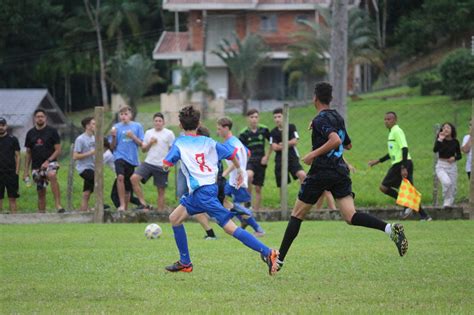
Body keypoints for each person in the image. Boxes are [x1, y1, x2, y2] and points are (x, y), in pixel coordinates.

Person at [271, 82, 408, 275]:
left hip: (320, 173)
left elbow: (335, 140)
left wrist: (312, 154)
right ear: (330, 98)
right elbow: (347, 144)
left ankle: (279, 261)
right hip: (340, 172)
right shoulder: (336, 117)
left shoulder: (320, 120)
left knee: (297, 215)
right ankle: (390, 229)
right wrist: (321, 132)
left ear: (315, 98)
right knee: (350, 216)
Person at [162, 105, 278, 274]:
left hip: (203, 193)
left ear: (180, 125)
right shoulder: (209, 142)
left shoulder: (180, 143)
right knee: (175, 218)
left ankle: (269, 253)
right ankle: (185, 262)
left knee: (229, 228)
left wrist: (166, 167)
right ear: (199, 123)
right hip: (205, 190)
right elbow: (232, 154)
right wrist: (239, 170)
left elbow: (166, 164)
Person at [368, 111, 432, 220]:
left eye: (389, 119)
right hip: (399, 164)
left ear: (395, 120)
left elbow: (404, 148)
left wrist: (404, 167)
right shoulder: (391, 132)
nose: (386, 121)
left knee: (384, 187)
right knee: (407, 191)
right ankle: (424, 216)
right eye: (385, 119)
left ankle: (408, 206)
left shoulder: (397, 131)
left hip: (402, 164)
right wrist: (378, 161)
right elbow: (392, 153)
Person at [217, 117, 265, 237]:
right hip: (236, 178)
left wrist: (224, 174)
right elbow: (247, 152)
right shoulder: (236, 141)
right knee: (222, 199)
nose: (218, 132)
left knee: (233, 204)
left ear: (226, 128)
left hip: (236, 180)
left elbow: (236, 160)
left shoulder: (229, 143)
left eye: (219, 129)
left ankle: (258, 229)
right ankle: (244, 220)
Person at [131, 112, 175, 211]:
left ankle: (160, 213)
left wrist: (169, 163)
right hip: (148, 162)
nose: (158, 123)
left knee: (161, 190)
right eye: (156, 121)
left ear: (163, 122)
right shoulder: (149, 133)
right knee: (134, 179)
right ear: (153, 122)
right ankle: (143, 204)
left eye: (160, 121)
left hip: (162, 165)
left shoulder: (169, 133)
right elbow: (143, 150)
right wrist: (150, 143)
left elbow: (172, 150)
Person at [24, 109, 64, 213]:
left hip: (51, 162)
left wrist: (48, 161)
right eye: (38, 116)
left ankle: (58, 205)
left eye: (42, 116)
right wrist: (26, 171)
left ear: (45, 118)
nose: (40, 118)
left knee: (51, 175)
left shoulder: (52, 131)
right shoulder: (30, 133)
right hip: (36, 166)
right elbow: (28, 153)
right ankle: (42, 214)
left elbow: (58, 150)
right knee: (41, 191)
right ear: (34, 118)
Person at [109, 106, 144, 211]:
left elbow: (141, 143)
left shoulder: (137, 126)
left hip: (132, 159)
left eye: (126, 114)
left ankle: (126, 209)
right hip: (119, 156)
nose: (123, 116)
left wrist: (133, 136)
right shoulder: (116, 127)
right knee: (120, 177)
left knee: (128, 187)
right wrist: (114, 136)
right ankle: (122, 205)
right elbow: (112, 147)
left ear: (131, 115)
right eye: (121, 114)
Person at [238, 109, 272, 210]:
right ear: (247, 119)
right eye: (251, 117)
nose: (254, 119)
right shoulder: (244, 133)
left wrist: (267, 157)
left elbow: (271, 143)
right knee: (249, 176)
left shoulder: (264, 129)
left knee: (258, 188)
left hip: (261, 161)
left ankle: (256, 211)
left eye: (256, 117)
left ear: (259, 118)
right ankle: (248, 202)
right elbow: (240, 149)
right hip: (250, 161)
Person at [269, 108, 306, 190]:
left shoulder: (291, 127)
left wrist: (283, 143)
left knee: (302, 175)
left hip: (292, 157)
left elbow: (295, 141)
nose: (277, 119)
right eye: (275, 117)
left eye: (279, 116)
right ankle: (283, 202)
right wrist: (288, 143)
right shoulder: (273, 132)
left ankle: (303, 199)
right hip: (279, 160)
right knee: (282, 184)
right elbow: (274, 147)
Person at [104, 138, 141, 209]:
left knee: (115, 195)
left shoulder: (108, 154)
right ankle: (142, 204)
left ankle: (122, 209)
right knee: (128, 195)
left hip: (121, 175)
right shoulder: (117, 151)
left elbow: (98, 162)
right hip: (126, 173)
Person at [433, 122, 462, 207]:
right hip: (441, 165)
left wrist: (454, 158)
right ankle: (446, 200)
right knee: (446, 182)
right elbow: (435, 150)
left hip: (452, 166)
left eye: (448, 128)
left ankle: (449, 204)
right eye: (444, 127)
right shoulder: (440, 139)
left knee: (453, 187)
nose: (446, 129)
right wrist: (440, 139)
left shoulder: (455, 142)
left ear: (452, 130)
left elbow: (459, 155)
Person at [73, 117, 96, 212]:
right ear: (87, 126)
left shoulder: (94, 138)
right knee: (97, 180)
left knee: (87, 191)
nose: (95, 126)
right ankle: (99, 205)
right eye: (93, 124)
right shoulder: (80, 139)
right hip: (84, 168)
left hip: (93, 167)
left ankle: (83, 210)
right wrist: (90, 153)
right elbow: (75, 156)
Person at [0, 118, 20, 213]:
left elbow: (17, 156)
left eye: (2, 125)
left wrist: (16, 171)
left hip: (11, 173)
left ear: (6, 126)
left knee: (12, 198)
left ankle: (14, 220)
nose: (1, 127)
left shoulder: (13, 139)